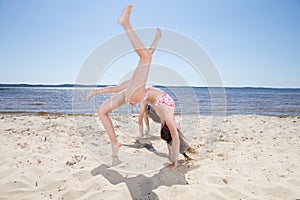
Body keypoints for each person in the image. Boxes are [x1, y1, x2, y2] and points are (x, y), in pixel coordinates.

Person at [87, 5, 180, 169]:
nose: (178, 126)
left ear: (166, 125)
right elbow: (115, 88)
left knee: (145, 57)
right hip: (131, 95)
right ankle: (115, 144)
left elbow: (175, 137)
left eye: (174, 127)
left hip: (138, 95)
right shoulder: (167, 115)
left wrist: (175, 161)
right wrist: (96, 91)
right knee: (102, 111)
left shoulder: (168, 117)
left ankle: (126, 24)